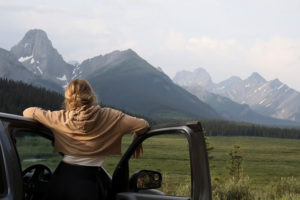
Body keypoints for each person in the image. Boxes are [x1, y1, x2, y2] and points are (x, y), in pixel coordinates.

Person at [23, 79, 149, 200]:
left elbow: (28, 112)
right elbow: (143, 125)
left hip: (60, 180)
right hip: (86, 184)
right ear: (91, 96)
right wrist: (137, 135)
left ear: (68, 99)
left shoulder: (60, 117)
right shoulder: (110, 116)